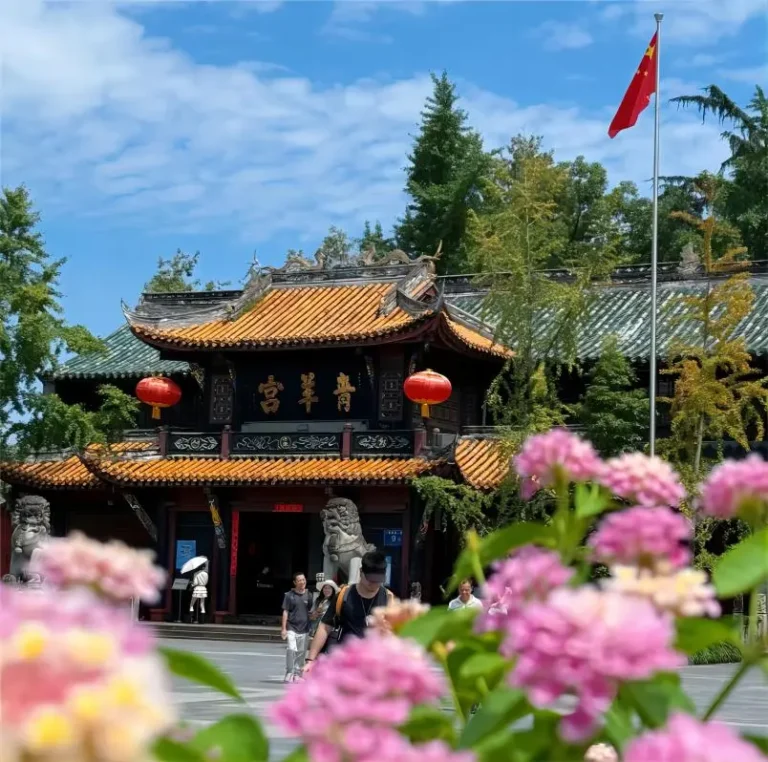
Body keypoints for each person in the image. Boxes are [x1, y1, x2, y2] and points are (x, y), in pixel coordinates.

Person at [304, 550, 394, 672]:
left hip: (374, 668)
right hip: (344, 664)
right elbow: (325, 627)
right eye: (370, 580)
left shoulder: (388, 598)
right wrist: (310, 660)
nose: (374, 584)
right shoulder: (344, 595)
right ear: (361, 572)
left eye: (378, 580)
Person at [281, 572, 311, 683]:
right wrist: (283, 628)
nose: (302, 582)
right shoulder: (289, 595)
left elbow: (310, 611)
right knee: (291, 648)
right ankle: (289, 672)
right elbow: (285, 611)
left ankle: (297, 674)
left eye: (303, 580)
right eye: (299, 580)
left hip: (304, 628)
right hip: (291, 627)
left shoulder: (309, 595)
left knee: (301, 652)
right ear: (295, 582)